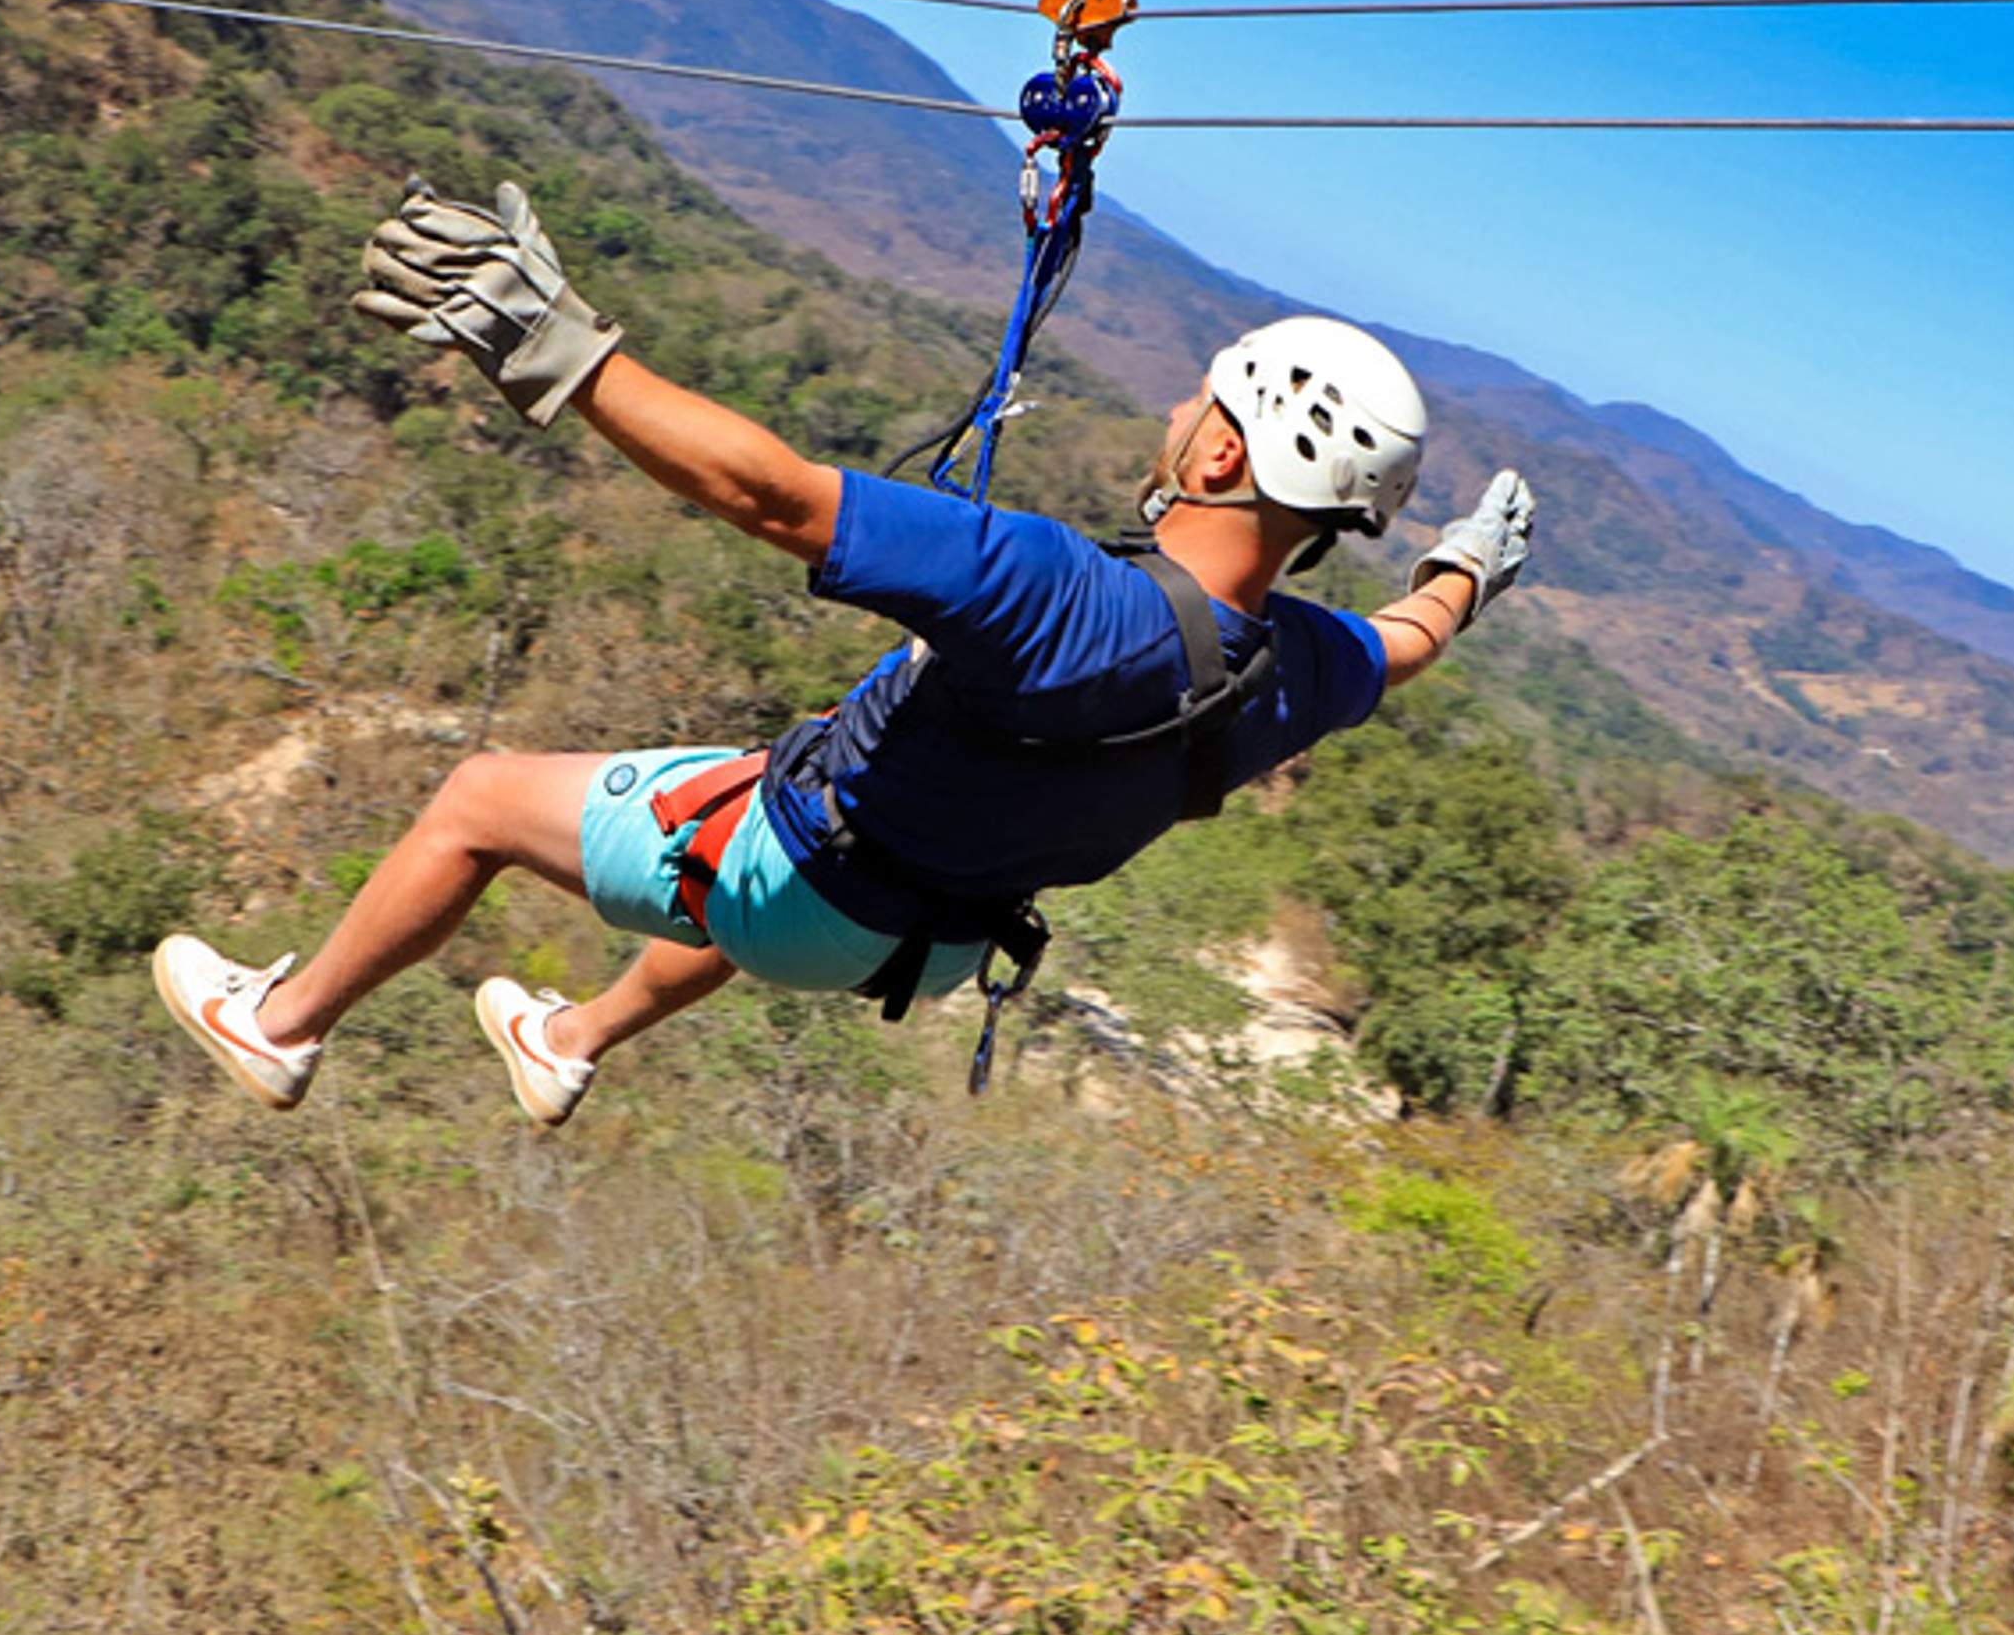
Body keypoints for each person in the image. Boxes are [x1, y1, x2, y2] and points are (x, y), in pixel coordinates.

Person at [153, 176, 1535, 1125]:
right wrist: (1465, 568)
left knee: (479, 801)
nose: (1177, 410)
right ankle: (568, 1044)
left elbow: (774, 494)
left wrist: (552, 349)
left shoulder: (1051, 587)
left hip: (800, 890)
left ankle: (280, 1025)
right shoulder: (1307, 667)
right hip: (919, 955)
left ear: (1225, 450)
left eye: (1199, 402)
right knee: (783, 799)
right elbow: (1410, 639)